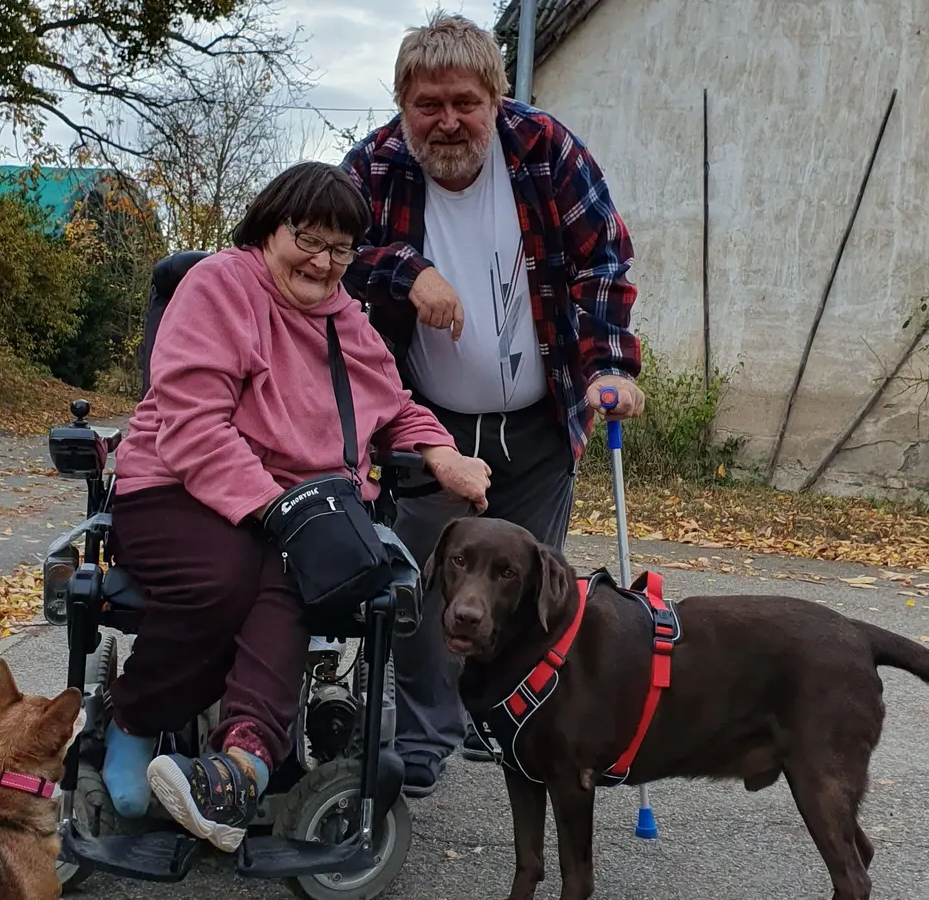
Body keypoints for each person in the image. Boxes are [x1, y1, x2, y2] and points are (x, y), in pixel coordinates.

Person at [100, 160, 492, 851]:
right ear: (269, 228)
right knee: (227, 577)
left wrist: (441, 453)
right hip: (174, 486)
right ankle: (134, 718)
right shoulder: (219, 286)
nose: (323, 262)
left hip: (295, 505)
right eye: (308, 239)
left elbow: (395, 405)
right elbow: (193, 429)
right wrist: (279, 513)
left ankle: (241, 767)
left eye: (341, 248)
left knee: (305, 579)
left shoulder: (346, 319)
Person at [339, 12, 647, 797]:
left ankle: (510, 720)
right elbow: (323, 250)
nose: (447, 121)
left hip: (539, 425)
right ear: (403, 105)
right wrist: (406, 269)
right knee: (429, 585)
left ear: (495, 99)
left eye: (464, 103)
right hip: (429, 425)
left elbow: (602, 261)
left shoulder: (546, 150)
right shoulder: (374, 165)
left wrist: (609, 366)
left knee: (522, 591)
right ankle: (423, 740)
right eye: (428, 105)